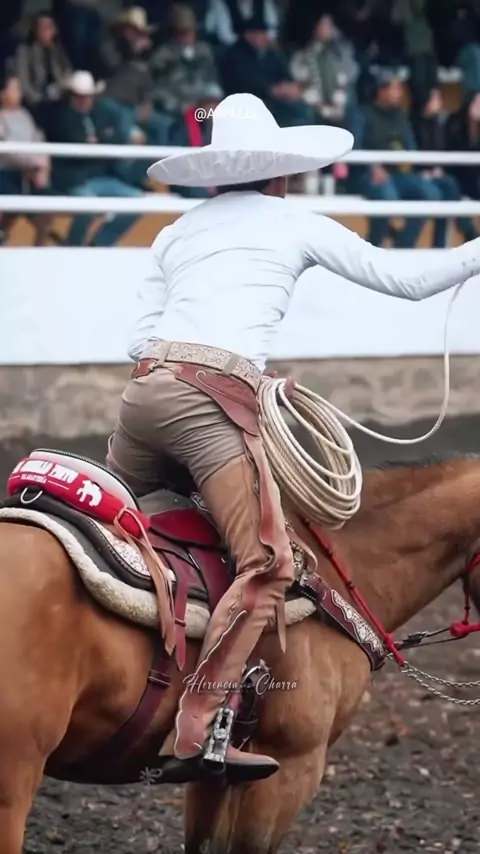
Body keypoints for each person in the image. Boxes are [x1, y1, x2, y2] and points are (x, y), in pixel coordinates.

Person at [107, 92, 480, 785]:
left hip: (143, 398)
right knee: (269, 566)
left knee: (114, 530)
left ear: (216, 174)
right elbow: (407, 280)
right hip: (207, 409)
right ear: (280, 172)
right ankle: (197, 724)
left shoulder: (175, 232)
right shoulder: (293, 222)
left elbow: (136, 339)